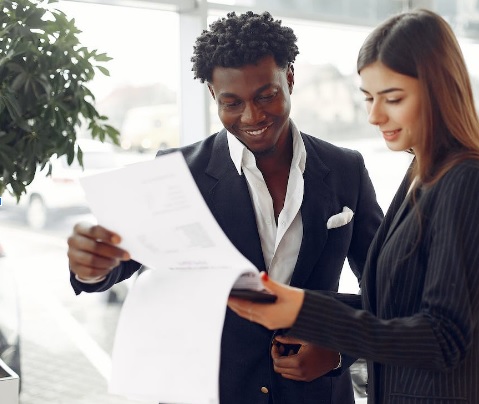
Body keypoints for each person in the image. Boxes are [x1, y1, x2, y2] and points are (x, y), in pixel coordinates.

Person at [66, 10, 384, 404]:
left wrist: (338, 352)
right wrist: (90, 264)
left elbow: (384, 287)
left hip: (316, 394)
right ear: (214, 96)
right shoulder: (178, 172)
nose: (253, 116)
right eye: (232, 102)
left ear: (289, 78)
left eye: (266, 96)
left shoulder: (345, 168)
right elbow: (120, 261)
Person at [228, 8, 479, 404]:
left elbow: (443, 339)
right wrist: (293, 304)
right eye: (368, 98)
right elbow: (391, 305)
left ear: (439, 90)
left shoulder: (467, 181)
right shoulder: (423, 171)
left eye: (392, 98)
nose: (374, 115)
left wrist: (303, 310)